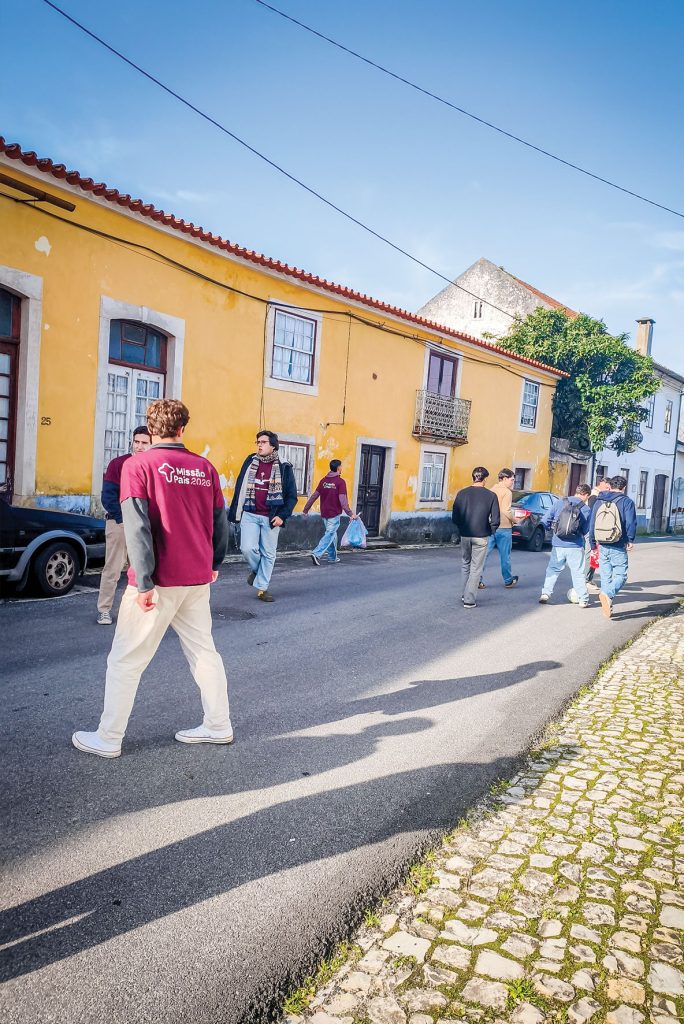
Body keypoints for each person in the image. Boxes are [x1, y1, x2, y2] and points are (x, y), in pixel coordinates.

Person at [73, 399, 231, 758]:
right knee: (203, 652)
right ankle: (219, 724)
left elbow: (137, 527)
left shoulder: (138, 465)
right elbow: (220, 521)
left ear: (151, 428)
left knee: (125, 660)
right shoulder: (205, 467)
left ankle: (108, 737)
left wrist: (143, 582)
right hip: (196, 577)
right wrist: (214, 561)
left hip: (157, 580)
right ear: (182, 429)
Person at [228, 430, 298, 602]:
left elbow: (292, 496)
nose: (259, 445)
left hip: (271, 517)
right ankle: (258, 572)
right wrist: (236, 510)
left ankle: (262, 588)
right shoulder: (250, 461)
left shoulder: (284, 466)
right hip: (250, 513)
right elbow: (240, 486)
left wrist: (282, 516)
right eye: (258, 442)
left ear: (273, 446)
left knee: (268, 554)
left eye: (263, 442)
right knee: (247, 548)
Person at [96, 425, 151, 625]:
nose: (139, 446)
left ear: (151, 444)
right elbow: (108, 496)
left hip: (143, 526)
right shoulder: (118, 464)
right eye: (136, 441)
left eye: (144, 443)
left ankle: (134, 612)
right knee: (112, 569)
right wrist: (123, 519)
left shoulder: (152, 466)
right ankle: (104, 610)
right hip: (118, 523)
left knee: (141, 570)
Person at [589, 474, 637, 620]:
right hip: (618, 543)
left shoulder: (599, 500)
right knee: (621, 575)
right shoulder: (627, 502)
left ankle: (608, 605)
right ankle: (607, 594)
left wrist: (592, 543)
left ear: (610, 486)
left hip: (602, 543)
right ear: (624, 487)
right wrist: (630, 539)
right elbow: (630, 523)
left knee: (606, 576)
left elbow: (592, 522)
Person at [451, 466, 500, 608]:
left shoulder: (462, 493)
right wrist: (491, 530)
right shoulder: (491, 496)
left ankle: (464, 594)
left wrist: (462, 528)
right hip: (481, 536)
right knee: (476, 568)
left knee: (465, 564)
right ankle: (469, 599)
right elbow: (496, 519)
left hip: (465, 535)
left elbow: (455, 517)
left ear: (473, 477)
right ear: (484, 479)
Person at [539, 486, 591, 607]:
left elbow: (546, 520)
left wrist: (551, 530)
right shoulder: (586, 509)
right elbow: (586, 530)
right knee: (578, 572)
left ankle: (546, 593)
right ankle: (583, 599)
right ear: (585, 495)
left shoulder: (559, 503)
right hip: (575, 545)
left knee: (553, 569)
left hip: (558, 544)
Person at [302, 459, 357, 565]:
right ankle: (316, 554)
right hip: (334, 513)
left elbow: (314, 496)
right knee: (330, 534)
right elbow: (343, 500)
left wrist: (305, 509)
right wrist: (350, 514)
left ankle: (332, 557)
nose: (342, 468)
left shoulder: (323, 481)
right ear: (338, 468)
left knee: (331, 534)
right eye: (341, 466)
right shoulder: (340, 482)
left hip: (324, 513)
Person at [479, 468, 518, 590]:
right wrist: (515, 520)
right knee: (505, 556)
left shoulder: (491, 490)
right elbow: (506, 510)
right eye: (512, 480)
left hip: (490, 526)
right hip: (504, 527)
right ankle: (508, 580)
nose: (513, 482)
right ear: (505, 479)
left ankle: (477, 579)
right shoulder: (507, 492)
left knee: (484, 555)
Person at [585, 478, 610, 588]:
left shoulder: (597, 495)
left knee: (594, 553)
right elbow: (592, 514)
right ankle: (586, 580)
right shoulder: (594, 496)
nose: (608, 488)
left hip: (594, 528)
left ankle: (588, 578)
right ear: (602, 483)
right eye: (607, 486)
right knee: (591, 553)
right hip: (591, 529)